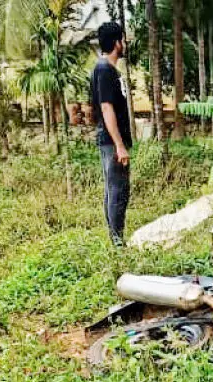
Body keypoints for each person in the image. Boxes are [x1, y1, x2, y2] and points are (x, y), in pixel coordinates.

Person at [91, 22, 132, 247]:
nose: (124, 44)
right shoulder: (105, 70)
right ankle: (117, 242)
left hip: (111, 141)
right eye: (123, 40)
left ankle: (116, 238)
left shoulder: (106, 69)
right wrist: (119, 144)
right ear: (117, 43)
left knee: (113, 188)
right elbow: (106, 108)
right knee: (118, 189)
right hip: (111, 141)